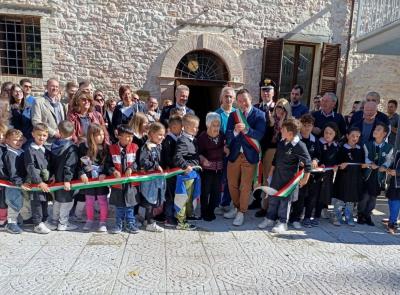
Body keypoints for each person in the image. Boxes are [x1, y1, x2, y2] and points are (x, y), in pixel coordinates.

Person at [258, 118, 311, 234]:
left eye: (283, 129)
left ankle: (282, 222)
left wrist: (305, 179)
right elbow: (276, 158)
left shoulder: (299, 145)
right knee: (273, 199)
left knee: (285, 202)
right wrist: (271, 171)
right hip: (277, 177)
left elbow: (308, 163)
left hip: (289, 180)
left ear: (290, 133)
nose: (281, 130)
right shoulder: (282, 142)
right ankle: (270, 218)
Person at [224, 89, 266, 226]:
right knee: (231, 184)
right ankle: (236, 207)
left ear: (251, 99)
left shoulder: (260, 114)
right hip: (235, 154)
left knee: (245, 186)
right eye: (240, 101)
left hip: (250, 155)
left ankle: (241, 212)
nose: (242, 103)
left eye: (245, 100)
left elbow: (259, 135)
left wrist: (246, 130)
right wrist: (235, 131)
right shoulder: (234, 115)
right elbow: (228, 135)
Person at [252, 98, 292, 215]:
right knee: (267, 180)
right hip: (269, 152)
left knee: (280, 182)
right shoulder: (270, 120)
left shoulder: (290, 123)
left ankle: (278, 210)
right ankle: (265, 207)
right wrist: (271, 125)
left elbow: (287, 141)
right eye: (278, 107)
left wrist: (281, 126)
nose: (280, 110)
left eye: (283, 108)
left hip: (283, 155)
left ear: (287, 110)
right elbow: (265, 139)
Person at [303, 122, 340, 227]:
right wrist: (319, 163)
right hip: (316, 175)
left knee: (322, 197)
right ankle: (307, 216)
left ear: (335, 134)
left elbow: (337, 159)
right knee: (312, 196)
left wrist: (336, 165)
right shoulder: (318, 142)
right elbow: (316, 156)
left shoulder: (336, 146)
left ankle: (317, 217)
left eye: (330, 133)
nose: (328, 135)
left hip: (328, 175)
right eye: (326, 132)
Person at [105, 124, 140, 234]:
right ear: (119, 136)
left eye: (131, 136)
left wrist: (131, 168)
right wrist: (113, 171)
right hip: (118, 183)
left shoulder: (135, 147)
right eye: (127, 136)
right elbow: (107, 164)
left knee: (130, 204)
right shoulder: (112, 149)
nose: (130, 139)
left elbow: (138, 162)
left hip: (131, 183)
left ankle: (130, 223)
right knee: (119, 205)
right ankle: (118, 223)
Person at [288, 114, 320, 229]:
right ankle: (294, 218)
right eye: (304, 125)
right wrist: (298, 161)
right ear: (300, 125)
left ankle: (305, 217)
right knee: (299, 196)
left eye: (309, 125)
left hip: (311, 174)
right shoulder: (296, 139)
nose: (307, 128)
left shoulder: (315, 140)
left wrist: (315, 160)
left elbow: (318, 155)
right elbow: (291, 153)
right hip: (297, 173)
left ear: (313, 126)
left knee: (310, 196)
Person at [359, 122, 393, 226]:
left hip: (379, 175)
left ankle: (367, 214)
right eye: (375, 129)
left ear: (384, 133)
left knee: (373, 196)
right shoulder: (367, 144)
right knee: (364, 195)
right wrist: (370, 164)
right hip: (368, 173)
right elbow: (366, 157)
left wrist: (385, 166)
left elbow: (389, 159)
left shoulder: (389, 147)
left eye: (378, 129)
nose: (375, 131)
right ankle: (360, 214)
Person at [79, 124, 110, 232]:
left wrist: (105, 173)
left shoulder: (106, 147)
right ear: (91, 136)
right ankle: (90, 220)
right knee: (89, 200)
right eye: (98, 135)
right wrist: (82, 173)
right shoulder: (83, 147)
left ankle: (102, 222)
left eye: (102, 134)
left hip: (101, 178)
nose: (101, 137)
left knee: (102, 200)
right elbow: (79, 164)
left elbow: (108, 163)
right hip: (89, 178)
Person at [49, 120, 79, 231]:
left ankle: (54, 221)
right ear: (73, 132)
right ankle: (63, 223)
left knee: (57, 201)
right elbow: (69, 165)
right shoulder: (72, 148)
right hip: (67, 181)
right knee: (67, 202)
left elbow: (50, 162)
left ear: (59, 132)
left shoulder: (54, 144)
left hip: (56, 179)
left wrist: (52, 174)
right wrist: (67, 179)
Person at [333, 127, 366, 226]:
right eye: (352, 136)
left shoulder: (360, 149)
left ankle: (349, 217)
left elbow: (362, 162)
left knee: (351, 199)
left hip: (355, 178)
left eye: (357, 136)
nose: (355, 138)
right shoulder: (341, 147)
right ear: (347, 136)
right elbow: (336, 161)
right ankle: (337, 216)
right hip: (343, 177)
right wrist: (340, 164)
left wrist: (363, 165)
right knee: (340, 198)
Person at [173, 114, 201, 230]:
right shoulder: (183, 141)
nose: (197, 129)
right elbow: (177, 157)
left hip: (192, 174)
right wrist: (185, 166)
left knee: (189, 197)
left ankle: (188, 215)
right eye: (195, 127)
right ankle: (181, 221)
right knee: (183, 198)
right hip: (185, 175)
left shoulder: (192, 139)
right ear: (187, 127)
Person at [24, 123, 53, 234]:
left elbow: (49, 165)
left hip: (45, 181)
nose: (42, 138)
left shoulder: (45, 149)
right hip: (35, 181)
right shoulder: (30, 150)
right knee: (37, 201)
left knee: (44, 201)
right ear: (33, 134)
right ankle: (37, 223)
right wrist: (39, 182)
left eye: (44, 135)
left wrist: (52, 176)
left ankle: (44, 220)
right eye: (39, 135)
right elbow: (30, 167)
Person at [139, 122, 166, 232]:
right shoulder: (147, 147)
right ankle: (150, 223)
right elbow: (143, 161)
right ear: (151, 134)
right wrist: (155, 166)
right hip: (149, 179)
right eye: (159, 134)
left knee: (154, 200)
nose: (162, 137)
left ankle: (147, 219)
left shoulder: (158, 146)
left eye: (163, 135)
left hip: (157, 179)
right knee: (149, 200)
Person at [198, 112, 225, 221]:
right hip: (207, 170)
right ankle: (204, 212)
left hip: (219, 169)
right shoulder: (202, 137)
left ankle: (211, 210)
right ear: (208, 125)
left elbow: (225, 148)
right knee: (205, 191)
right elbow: (198, 153)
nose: (216, 128)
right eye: (214, 125)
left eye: (218, 125)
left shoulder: (222, 135)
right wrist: (202, 158)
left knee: (216, 191)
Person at [214, 86, 236, 215]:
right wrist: (223, 146)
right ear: (221, 98)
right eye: (226, 96)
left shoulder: (237, 114)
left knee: (231, 178)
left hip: (234, 151)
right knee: (219, 178)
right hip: (220, 151)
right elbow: (215, 133)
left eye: (231, 96)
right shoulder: (216, 114)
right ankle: (216, 203)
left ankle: (226, 202)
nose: (228, 99)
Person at [2, 129, 27, 234]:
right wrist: (19, 182)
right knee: (13, 201)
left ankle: (17, 219)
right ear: (7, 140)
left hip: (20, 182)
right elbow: (13, 171)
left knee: (20, 201)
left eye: (20, 140)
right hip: (13, 184)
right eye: (15, 140)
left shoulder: (20, 151)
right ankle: (11, 223)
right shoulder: (10, 154)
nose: (18, 142)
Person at [160, 115, 182, 227]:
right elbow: (167, 157)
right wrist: (174, 165)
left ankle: (171, 214)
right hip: (170, 172)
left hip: (175, 171)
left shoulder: (177, 138)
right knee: (169, 195)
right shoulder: (168, 140)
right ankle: (168, 218)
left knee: (173, 194)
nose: (182, 128)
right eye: (180, 126)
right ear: (173, 127)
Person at [385, 150, 400, 234]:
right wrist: (389, 169)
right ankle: (392, 220)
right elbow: (393, 165)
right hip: (394, 182)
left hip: (398, 184)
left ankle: (392, 223)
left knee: (395, 202)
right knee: (391, 201)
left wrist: (397, 172)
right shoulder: (398, 153)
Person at [0, 123, 8, 226]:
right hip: (2, 178)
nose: (1, 137)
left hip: (4, 180)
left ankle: (2, 219)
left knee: (3, 200)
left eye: (3, 135)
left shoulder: (5, 148)